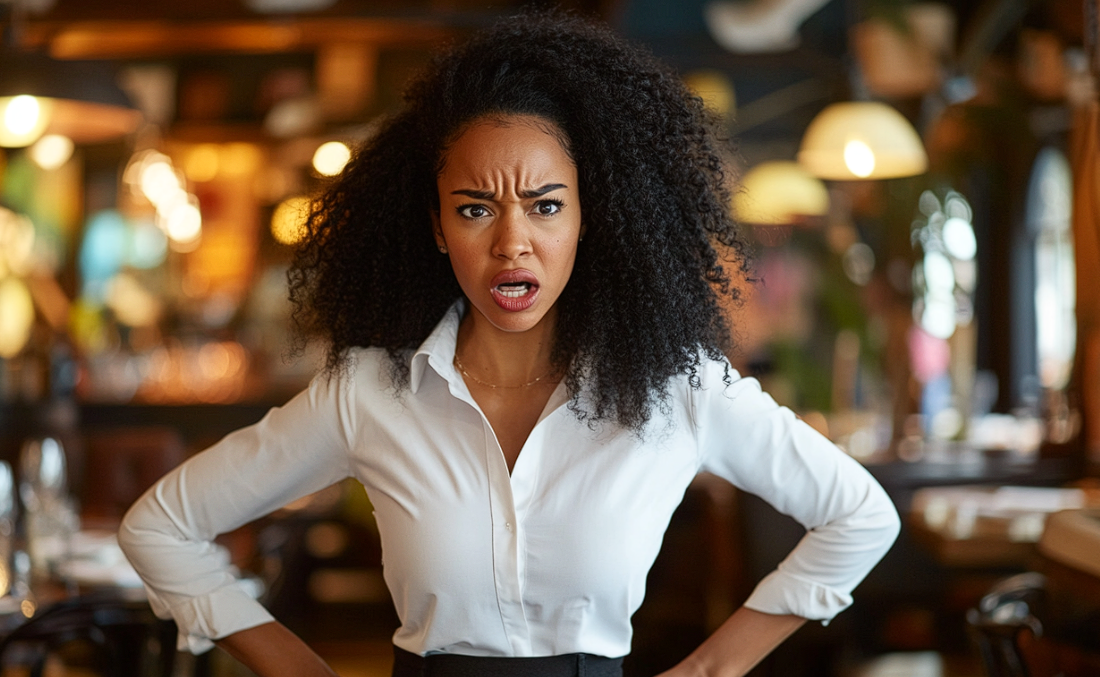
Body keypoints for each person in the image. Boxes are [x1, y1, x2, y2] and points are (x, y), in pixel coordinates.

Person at [119, 12, 900, 677]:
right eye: (472, 209)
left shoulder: (679, 387)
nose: (511, 242)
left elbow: (859, 516)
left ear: (590, 216)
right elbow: (159, 527)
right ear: (434, 226)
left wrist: (708, 666)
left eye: (545, 204)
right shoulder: (366, 392)